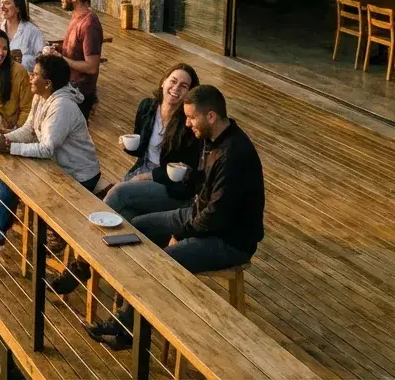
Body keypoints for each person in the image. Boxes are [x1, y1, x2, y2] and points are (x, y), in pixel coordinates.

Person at [88, 85, 266, 350]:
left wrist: (181, 233)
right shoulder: (213, 139)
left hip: (229, 240)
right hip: (199, 216)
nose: (187, 123)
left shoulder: (233, 156)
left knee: (162, 261)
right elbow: (206, 189)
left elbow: (217, 215)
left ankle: (127, 325)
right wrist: (189, 177)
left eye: (191, 117)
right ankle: (132, 315)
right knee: (135, 230)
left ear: (211, 116)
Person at [0, 54, 101, 255]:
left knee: (14, 173)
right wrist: (7, 139)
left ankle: (1, 230)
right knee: (6, 169)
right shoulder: (41, 95)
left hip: (78, 174)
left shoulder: (61, 107)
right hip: (55, 166)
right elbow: (29, 129)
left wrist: (9, 147)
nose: (30, 76)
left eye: (34, 74)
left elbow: (46, 149)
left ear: (48, 83)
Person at [102, 64, 203, 219]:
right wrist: (127, 146)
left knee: (118, 192)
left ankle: (92, 229)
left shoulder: (189, 123)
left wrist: (149, 176)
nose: (176, 88)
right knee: (127, 215)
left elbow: (185, 171)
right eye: (173, 81)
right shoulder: (147, 107)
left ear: (190, 93)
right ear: (163, 82)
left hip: (170, 184)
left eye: (184, 86)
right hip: (143, 169)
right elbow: (140, 148)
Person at [43, 0, 103, 118]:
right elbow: (74, 47)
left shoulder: (89, 25)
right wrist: (56, 49)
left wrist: (60, 58)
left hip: (79, 92)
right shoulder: (76, 16)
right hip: (67, 84)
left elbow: (92, 66)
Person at [0, 0, 46, 72]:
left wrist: (24, 60)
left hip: (24, 80)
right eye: (1, 3)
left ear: (18, 8)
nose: (2, 7)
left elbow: (43, 62)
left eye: (7, 3)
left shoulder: (32, 31)